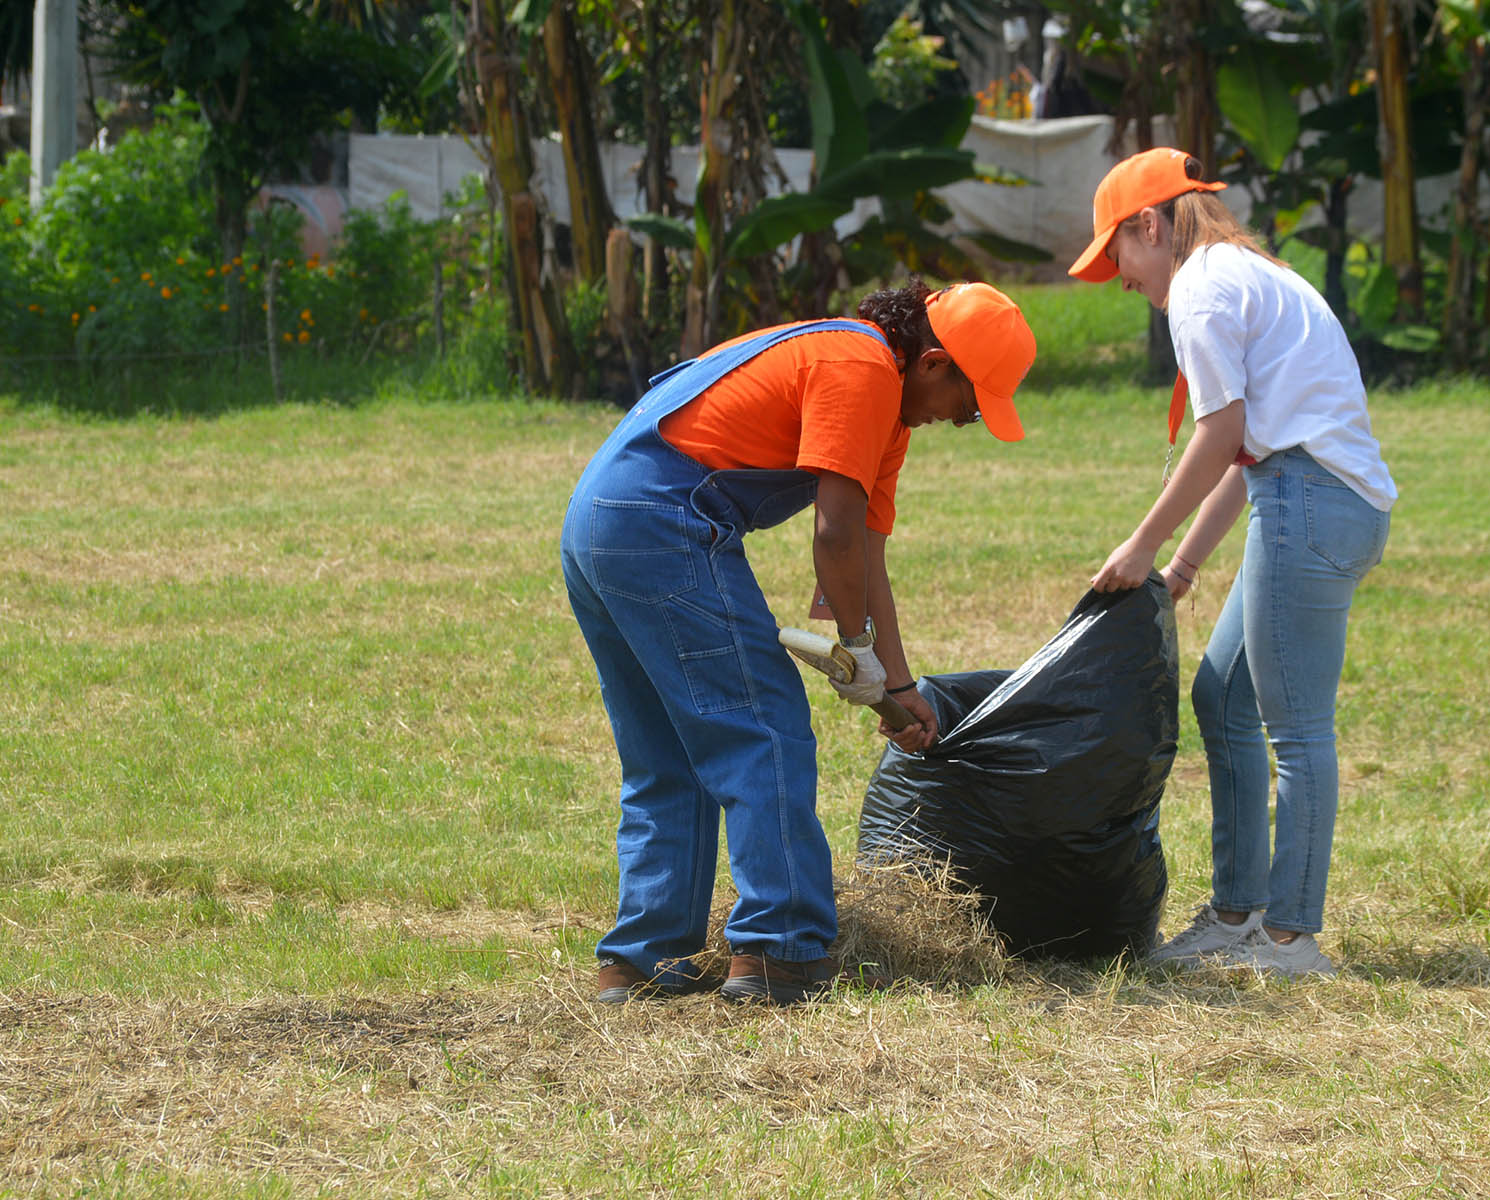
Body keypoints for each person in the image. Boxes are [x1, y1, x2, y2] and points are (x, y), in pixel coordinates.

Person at [561, 280, 1037, 1005]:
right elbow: (834, 534)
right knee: (764, 728)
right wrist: (855, 648)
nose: (968, 418)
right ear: (935, 363)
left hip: (598, 519)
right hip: (662, 520)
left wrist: (895, 688)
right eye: (972, 398)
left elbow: (866, 555)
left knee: (669, 752)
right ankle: (779, 950)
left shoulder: (873, 391)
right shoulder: (866, 369)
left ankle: (640, 962)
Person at [1068, 148, 1396, 979]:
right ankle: (1237, 913)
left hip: (1308, 504)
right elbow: (1249, 452)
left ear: (1149, 225)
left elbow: (1222, 435)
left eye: (1117, 257)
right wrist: (1178, 571)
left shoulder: (1203, 289)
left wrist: (1140, 546)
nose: (1121, 278)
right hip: (1308, 499)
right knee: (1223, 695)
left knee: (1296, 728)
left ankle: (1288, 938)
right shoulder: (1242, 272)